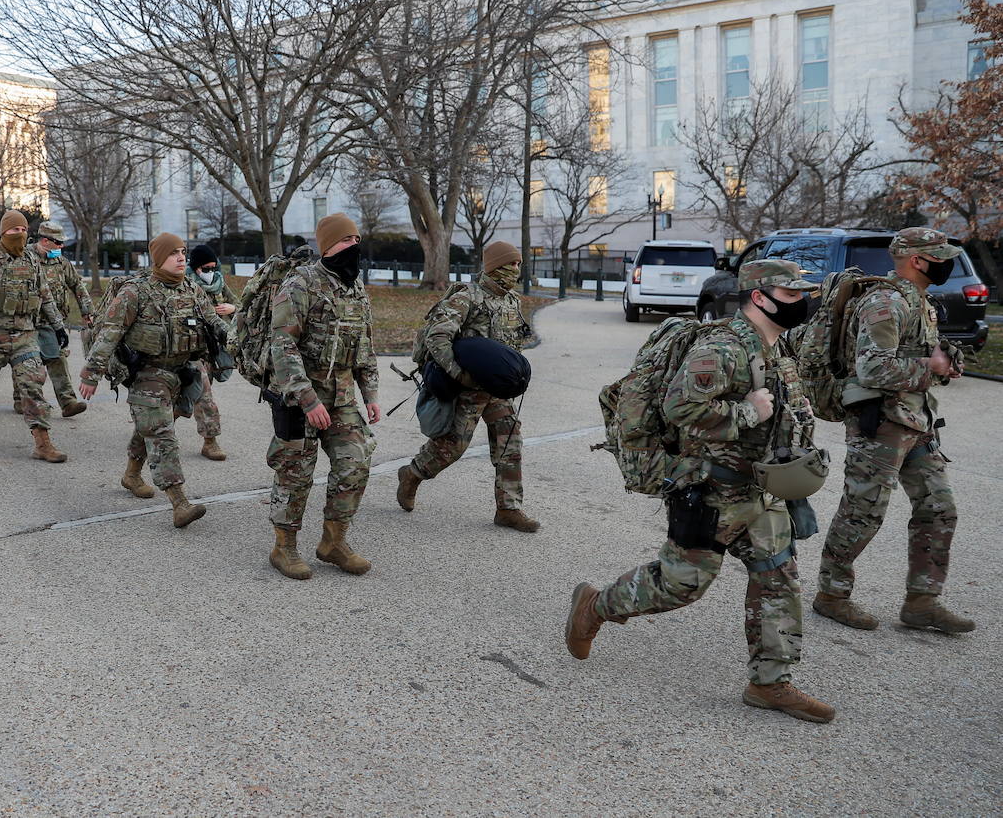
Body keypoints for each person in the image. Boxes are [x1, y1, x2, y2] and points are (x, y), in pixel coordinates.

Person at [566, 259, 836, 723]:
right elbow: (680, 407)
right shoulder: (723, 347)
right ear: (759, 297)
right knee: (680, 586)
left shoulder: (777, 347)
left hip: (762, 492)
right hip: (712, 490)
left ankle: (770, 683)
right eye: (792, 295)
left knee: (779, 580)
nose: (802, 302)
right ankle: (595, 605)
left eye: (802, 294)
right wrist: (749, 412)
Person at [814, 227, 974, 634]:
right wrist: (930, 367)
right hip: (880, 423)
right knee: (862, 513)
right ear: (917, 260)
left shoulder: (920, 301)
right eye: (939, 256)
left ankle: (922, 602)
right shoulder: (884, 303)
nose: (947, 263)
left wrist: (943, 361)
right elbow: (873, 367)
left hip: (916, 421)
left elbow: (915, 353)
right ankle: (831, 595)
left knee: (939, 507)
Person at [78, 233, 224, 527]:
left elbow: (214, 323)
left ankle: (131, 473)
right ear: (159, 258)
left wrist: (237, 342)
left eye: (183, 252)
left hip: (182, 372)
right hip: (147, 373)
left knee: (151, 426)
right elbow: (110, 333)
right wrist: (91, 373)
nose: (182, 257)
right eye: (174, 253)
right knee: (161, 432)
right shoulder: (136, 292)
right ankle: (179, 502)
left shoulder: (192, 290)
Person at [266, 213, 380, 580]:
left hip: (343, 394)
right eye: (347, 241)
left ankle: (333, 542)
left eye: (357, 240)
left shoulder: (355, 287)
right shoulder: (300, 283)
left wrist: (371, 393)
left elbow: (364, 345)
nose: (354, 247)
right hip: (301, 396)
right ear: (327, 245)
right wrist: (307, 398)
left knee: (355, 462)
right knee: (295, 472)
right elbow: (282, 345)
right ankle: (284, 547)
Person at [396, 240, 536, 532]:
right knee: (452, 447)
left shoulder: (512, 301)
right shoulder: (467, 297)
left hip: (496, 390)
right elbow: (437, 337)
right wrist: (460, 375)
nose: (516, 269)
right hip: (467, 387)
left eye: (519, 264)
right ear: (495, 265)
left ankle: (508, 508)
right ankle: (412, 474)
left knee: (510, 440)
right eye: (511, 263)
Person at [0, 210, 69, 462]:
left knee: (32, 384)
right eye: (14, 229)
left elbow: (45, 294)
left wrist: (58, 325)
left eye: (23, 229)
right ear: (3, 232)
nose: (19, 233)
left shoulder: (31, 260)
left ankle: (42, 443)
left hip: (24, 335)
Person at [31, 220, 90, 418]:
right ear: (45, 241)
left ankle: (67, 402)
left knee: (57, 359)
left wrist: (86, 311)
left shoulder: (61, 262)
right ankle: (22, 400)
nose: (61, 247)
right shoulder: (26, 258)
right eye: (58, 243)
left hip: (52, 323)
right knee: (29, 364)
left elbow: (77, 285)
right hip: (28, 322)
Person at [184, 243, 237, 461]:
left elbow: (240, 305)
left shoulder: (219, 283)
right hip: (191, 350)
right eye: (205, 268)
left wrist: (232, 309)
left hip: (214, 349)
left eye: (213, 267)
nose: (210, 273)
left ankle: (155, 430)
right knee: (203, 395)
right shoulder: (184, 285)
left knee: (194, 396)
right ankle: (210, 441)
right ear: (195, 268)